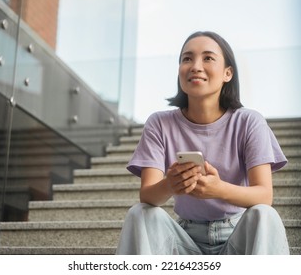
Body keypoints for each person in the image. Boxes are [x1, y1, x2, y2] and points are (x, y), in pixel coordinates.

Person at [116, 31, 289, 255]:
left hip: (237, 238)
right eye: (187, 59)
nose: (195, 66)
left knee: (265, 214)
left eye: (208, 58)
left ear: (228, 73)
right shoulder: (159, 123)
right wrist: (170, 184)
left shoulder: (249, 121)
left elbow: (264, 196)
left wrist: (218, 189)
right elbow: (147, 195)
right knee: (139, 213)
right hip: (184, 240)